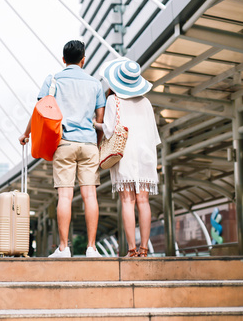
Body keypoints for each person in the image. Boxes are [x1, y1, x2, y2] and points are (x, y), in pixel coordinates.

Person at [19, 40, 105, 258]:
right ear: (83, 60)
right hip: (88, 144)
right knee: (90, 196)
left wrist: (26, 134)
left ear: (64, 59)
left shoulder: (54, 79)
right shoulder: (95, 84)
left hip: (64, 142)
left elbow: (40, 111)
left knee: (65, 197)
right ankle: (92, 248)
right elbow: (101, 120)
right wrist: (97, 144)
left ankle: (64, 248)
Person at [94, 58, 161, 257]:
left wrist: (93, 124)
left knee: (127, 201)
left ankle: (131, 249)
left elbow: (108, 130)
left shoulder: (113, 100)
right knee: (144, 200)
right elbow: (154, 135)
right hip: (146, 153)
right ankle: (145, 249)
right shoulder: (146, 102)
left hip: (125, 153)